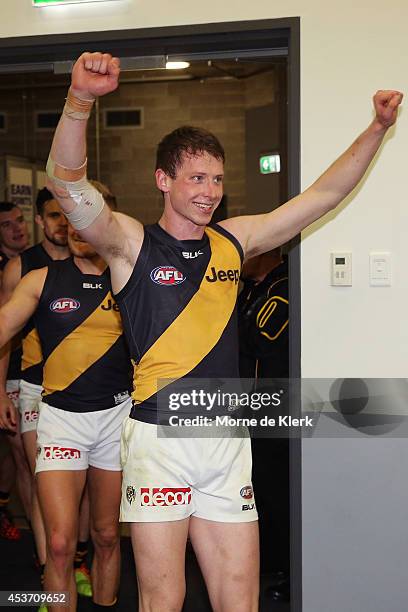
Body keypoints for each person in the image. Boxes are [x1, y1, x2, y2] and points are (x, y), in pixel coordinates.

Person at [46, 51, 402, 612]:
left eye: (216, 178)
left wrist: (377, 130)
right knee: (163, 599)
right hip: (159, 439)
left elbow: (323, 197)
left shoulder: (234, 241)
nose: (209, 190)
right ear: (163, 180)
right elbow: (67, 184)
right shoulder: (129, 243)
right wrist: (81, 101)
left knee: (240, 599)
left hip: (225, 440)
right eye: (195, 178)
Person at [0, 221, 132, 612]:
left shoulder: (128, 279)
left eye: (85, 219)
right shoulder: (41, 279)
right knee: (59, 543)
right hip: (59, 420)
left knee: (107, 534)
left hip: (115, 417)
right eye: (69, 220)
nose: (75, 228)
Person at [238, 248, 290, 600]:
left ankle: (291, 570)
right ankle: (271, 560)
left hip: (274, 407)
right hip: (247, 408)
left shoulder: (283, 285)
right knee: (260, 489)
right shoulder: (250, 291)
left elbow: (260, 339)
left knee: (278, 491)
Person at [0, 201, 31, 539]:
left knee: (17, 452)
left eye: (20, 221)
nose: (16, 228)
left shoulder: (36, 261)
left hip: (33, 372)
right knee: (18, 452)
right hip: (8, 368)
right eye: (7, 225)